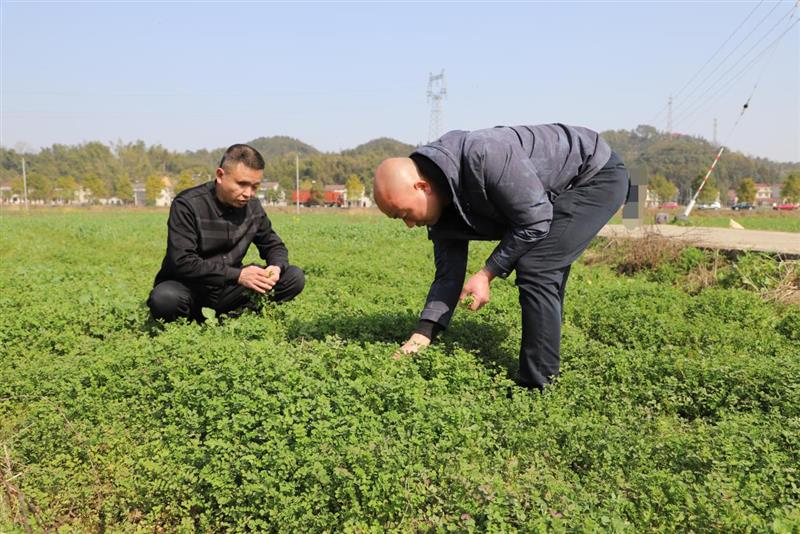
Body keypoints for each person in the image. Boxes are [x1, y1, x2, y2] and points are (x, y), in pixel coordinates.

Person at [374, 124, 628, 390]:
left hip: (593, 175)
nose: (409, 224)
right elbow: (448, 274)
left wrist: (486, 274)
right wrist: (421, 335)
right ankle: (544, 360)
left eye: (404, 214)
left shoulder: (484, 155)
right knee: (542, 266)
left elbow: (535, 222)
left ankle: (538, 387)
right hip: (553, 192)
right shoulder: (442, 197)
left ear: (421, 187)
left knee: (538, 267)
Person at [147, 144, 304, 323]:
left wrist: (275, 267)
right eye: (242, 184)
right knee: (165, 299)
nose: (248, 193)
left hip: (229, 289)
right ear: (220, 175)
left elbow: (273, 245)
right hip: (190, 287)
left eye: (255, 187)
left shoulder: (252, 207)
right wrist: (238, 275)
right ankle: (191, 320)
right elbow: (182, 262)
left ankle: (233, 319)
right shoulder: (188, 204)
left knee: (293, 277)